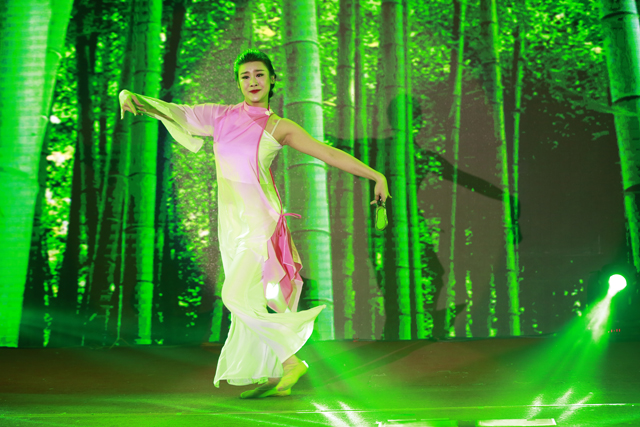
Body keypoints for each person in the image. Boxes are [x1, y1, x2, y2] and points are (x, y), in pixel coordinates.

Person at [119, 49, 391, 398]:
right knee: (251, 298)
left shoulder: (280, 127)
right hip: (231, 224)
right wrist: (134, 98)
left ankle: (291, 362)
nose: (253, 81)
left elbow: (328, 152)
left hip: (262, 221)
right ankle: (271, 372)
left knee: (232, 295)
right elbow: (178, 113)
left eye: (259, 74)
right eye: (245, 76)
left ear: (272, 79)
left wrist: (376, 175)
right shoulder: (220, 117)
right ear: (238, 82)